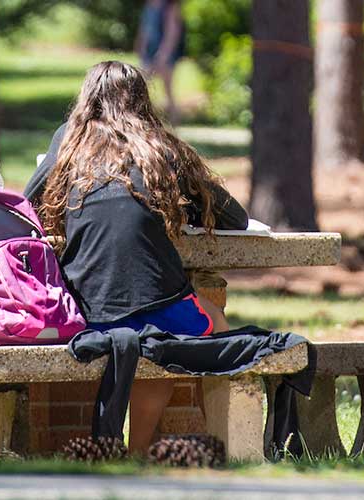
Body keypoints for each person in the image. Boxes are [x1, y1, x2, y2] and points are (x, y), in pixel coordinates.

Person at [30, 60, 247, 450]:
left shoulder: (68, 142)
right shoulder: (161, 147)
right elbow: (236, 217)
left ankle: (124, 451)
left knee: (143, 336)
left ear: (87, 100)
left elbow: (27, 204)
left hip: (88, 310)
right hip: (162, 304)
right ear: (143, 100)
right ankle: (162, 446)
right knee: (204, 323)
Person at [137, 0, 185, 123]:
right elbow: (144, 30)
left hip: (165, 55)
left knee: (167, 90)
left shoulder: (170, 7)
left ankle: (174, 122)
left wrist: (163, 54)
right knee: (141, 87)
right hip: (149, 54)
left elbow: (173, 33)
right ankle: (143, 119)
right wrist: (141, 47)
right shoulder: (149, 6)